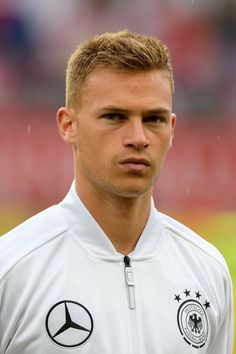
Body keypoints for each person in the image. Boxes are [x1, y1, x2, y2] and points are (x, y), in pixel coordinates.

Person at [0, 30, 234, 354]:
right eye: (115, 116)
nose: (138, 137)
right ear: (68, 125)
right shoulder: (11, 269)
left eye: (154, 118)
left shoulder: (208, 271)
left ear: (173, 128)